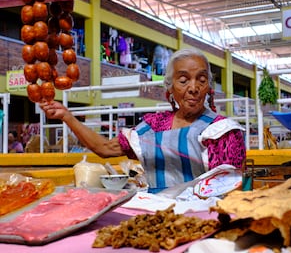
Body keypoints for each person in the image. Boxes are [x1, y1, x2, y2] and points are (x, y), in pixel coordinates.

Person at [40, 48, 246, 193]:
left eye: (201, 80)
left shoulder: (222, 131)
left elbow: (229, 190)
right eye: (183, 80)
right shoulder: (153, 126)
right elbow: (105, 148)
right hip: (157, 215)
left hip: (205, 218)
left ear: (208, 87)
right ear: (170, 87)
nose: (193, 87)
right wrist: (66, 116)